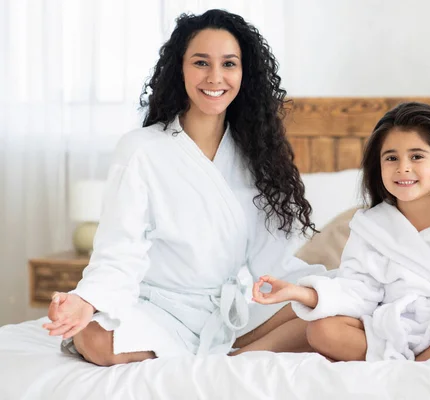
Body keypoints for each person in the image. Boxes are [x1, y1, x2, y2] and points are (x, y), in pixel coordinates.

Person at [42, 9, 325, 366]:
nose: (215, 77)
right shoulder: (140, 149)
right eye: (201, 62)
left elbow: (275, 264)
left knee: (327, 308)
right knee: (93, 337)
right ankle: (227, 359)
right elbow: (119, 252)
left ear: (244, 74)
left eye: (229, 64)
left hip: (231, 314)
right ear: (181, 69)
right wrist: (87, 301)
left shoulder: (261, 156)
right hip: (158, 311)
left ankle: (236, 357)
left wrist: (323, 292)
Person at [252, 102, 430, 362]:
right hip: (385, 330)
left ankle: (402, 367)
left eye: (417, 156)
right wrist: (298, 292)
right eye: (391, 158)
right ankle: (411, 364)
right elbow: (357, 291)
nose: (403, 168)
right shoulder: (371, 226)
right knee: (321, 330)